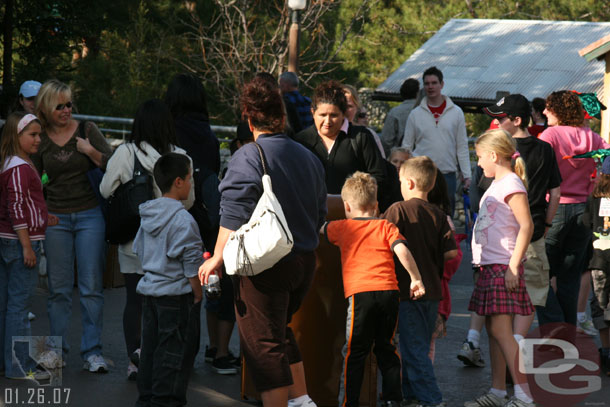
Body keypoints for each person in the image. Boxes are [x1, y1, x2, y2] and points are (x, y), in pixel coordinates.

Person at [198, 75, 327, 407]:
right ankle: (301, 402)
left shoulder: (249, 155)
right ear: (281, 117)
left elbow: (233, 212)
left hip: (266, 263)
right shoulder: (308, 157)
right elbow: (319, 211)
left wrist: (217, 258)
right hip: (304, 260)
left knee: (262, 346)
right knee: (278, 330)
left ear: (248, 116)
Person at [457, 94, 562, 369]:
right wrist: (547, 224)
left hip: (513, 240)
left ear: (516, 121)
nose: (496, 122)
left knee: (510, 303)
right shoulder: (541, 149)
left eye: (500, 118)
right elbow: (555, 191)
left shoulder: (500, 153)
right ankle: (508, 351)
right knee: (526, 298)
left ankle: (504, 353)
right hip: (530, 235)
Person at [99, 99, 194, 380]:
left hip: (134, 242)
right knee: (168, 303)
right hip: (172, 244)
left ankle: (135, 359)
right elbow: (189, 201)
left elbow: (106, 190)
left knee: (135, 301)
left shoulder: (126, 153)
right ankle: (163, 357)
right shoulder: (181, 156)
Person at [323, 171, 425, 407]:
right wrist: (415, 278)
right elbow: (401, 251)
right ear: (377, 205)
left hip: (361, 294)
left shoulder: (343, 227)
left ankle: (350, 401)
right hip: (390, 292)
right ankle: (393, 399)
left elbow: (320, 229)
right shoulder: (386, 227)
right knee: (386, 347)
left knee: (355, 352)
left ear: (347, 206)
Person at [32, 79, 112, 373]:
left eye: (69, 104)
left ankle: (92, 352)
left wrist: (90, 151)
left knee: (91, 287)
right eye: (59, 105)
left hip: (90, 215)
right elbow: (32, 179)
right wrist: (41, 211)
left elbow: (114, 164)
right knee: (58, 290)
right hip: (55, 219)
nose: (66, 110)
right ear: (45, 108)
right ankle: (55, 352)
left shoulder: (86, 129)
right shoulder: (39, 137)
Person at [465, 129, 534, 407]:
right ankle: (498, 392)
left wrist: (513, 266)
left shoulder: (511, 184)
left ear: (494, 155)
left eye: (480, 157)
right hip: (490, 266)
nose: (479, 163)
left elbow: (527, 225)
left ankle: (524, 396)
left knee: (503, 332)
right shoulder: (497, 183)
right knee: (495, 331)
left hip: (502, 266)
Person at [382, 156, 457, 407]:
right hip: (433, 292)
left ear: (410, 182)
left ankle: (432, 400)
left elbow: (382, 241)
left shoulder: (397, 210)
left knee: (413, 350)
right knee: (418, 347)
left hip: (407, 291)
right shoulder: (438, 214)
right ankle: (410, 396)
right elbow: (451, 253)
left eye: (401, 180)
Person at [133, 152, 202, 406]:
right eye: (190, 178)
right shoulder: (183, 219)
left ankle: (148, 398)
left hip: (151, 292)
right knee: (173, 355)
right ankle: (165, 400)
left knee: (150, 350)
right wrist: (198, 292)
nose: (192, 182)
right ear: (178, 182)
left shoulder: (148, 215)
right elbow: (191, 262)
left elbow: (139, 249)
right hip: (175, 295)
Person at [537, 90, 610, 327]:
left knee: (539, 275)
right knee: (570, 279)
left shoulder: (550, 135)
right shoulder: (592, 136)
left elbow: (536, 169)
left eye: (549, 107)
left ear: (560, 109)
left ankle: (553, 324)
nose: (545, 111)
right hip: (583, 211)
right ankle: (567, 332)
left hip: (554, 210)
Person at [0, 112, 57, 380]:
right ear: (16, 135)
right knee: (18, 308)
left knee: (5, 304)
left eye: (39, 134)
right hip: (18, 243)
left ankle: (5, 362)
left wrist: (44, 218)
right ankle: (18, 365)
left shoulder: (9, 164)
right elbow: (17, 205)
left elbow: (20, 204)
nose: (38, 139)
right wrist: (27, 246)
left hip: (6, 239)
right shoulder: (21, 167)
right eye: (32, 135)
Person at [294, 80, 391, 210]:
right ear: (312, 113)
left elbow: (379, 178)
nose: (327, 121)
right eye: (322, 115)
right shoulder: (301, 141)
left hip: (353, 222)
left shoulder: (361, 137)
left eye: (333, 115)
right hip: (313, 220)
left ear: (343, 113)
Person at [401, 66, 471, 215]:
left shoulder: (457, 112)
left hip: (447, 174)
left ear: (442, 84)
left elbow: (462, 146)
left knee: (447, 217)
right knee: (421, 215)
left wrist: (467, 175)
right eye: (427, 83)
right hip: (421, 174)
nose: (430, 87)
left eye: (434, 83)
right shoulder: (415, 114)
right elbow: (406, 146)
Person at [583, 155, 610, 376]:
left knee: (600, 306)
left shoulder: (593, 199)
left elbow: (585, 222)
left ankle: (606, 351)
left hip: (599, 260)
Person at [342, 84, 385, 158]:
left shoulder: (368, 135)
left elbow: (381, 165)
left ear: (356, 108)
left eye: (349, 106)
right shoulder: (323, 135)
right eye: (342, 105)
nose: (345, 110)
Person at [381, 78, 419, 157]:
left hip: (399, 159)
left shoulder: (394, 112)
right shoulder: (424, 111)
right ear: (418, 93)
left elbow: (386, 140)